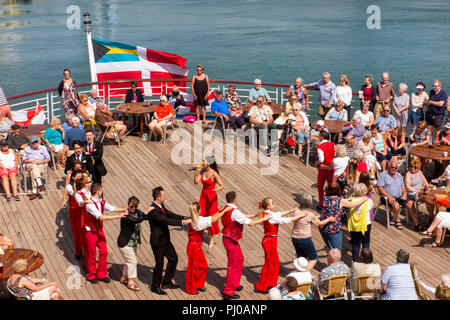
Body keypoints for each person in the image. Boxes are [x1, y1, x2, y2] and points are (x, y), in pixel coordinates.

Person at [221, 191, 273, 299]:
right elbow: (250, 223)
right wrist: (263, 218)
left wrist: (255, 215)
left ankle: (235, 283)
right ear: (235, 199)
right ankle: (228, 291)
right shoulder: (235, 212)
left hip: (229, 238)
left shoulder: (227, 208)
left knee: (239, 259)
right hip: (230, 239)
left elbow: (242, 216)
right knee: (233, 264)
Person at [146, 186, 192, 295]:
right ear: (158, 198)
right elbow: (166, 220)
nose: (165, 197)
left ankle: (166, 282)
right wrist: (183, 222)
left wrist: (184, 217)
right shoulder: (153, 211)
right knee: (159, 264)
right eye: (163, 196)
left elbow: (169, 214)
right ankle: (155, 286)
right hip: (158, 241)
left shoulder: (160, 206)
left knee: (173, 259)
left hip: (165, 240)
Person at [254, 197, 304, 293]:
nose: (274, 202)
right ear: (268, 206)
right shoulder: (271, 217)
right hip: (270, 241)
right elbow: (287, 220)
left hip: (269, 240)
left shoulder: (268, 213)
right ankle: (261, 286)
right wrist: (300, 215)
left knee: (275, 262)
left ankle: (271, 283)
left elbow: (279, 214)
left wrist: (291, 210)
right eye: (272, 202)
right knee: (268, 264)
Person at [84, 183, 127, 283]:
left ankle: (102, 274)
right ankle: (91, 275)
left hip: (98, 230)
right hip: (90, 232)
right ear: (98, 191)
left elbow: (112, 208)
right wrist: (119, 217)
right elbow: (101, 217)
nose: (102, 191)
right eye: (101, 190)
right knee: (92, 254)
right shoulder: (90, 205)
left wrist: (125, 209)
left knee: (104, 251)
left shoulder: (100, 202)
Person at [185, 203, 231, 296]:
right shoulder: (197, 223)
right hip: (194, 246)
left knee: (203, 265)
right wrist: (224, 211)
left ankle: (198, 284)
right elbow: (213, 219)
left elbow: (211, 217)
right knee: (193, 268)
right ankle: (190, 288)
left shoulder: (198, 218)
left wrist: (220, 211)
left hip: (197, 246)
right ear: (198, 210)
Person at [291, 194, 336, 272]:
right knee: (313, 258)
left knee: (302, 258)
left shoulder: (297, 211)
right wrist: (329, 219)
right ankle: (304, 274)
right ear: (310, 203)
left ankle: (299, 273)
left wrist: (316, 217)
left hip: (295, 237)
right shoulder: (310, 215)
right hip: (304, 239)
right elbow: (319, 223)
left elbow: (305, 219)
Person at [319, 181, 368, 250]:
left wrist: (348, 199)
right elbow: (352, 205)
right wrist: (363, 199)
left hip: (323, 227)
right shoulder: (339, 201)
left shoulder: (324, 197)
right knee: (337, 250)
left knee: (330, 247)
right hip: (334, 228)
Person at [117, 196, 150, 292]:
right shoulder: (125, 215)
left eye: (135, 206)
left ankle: (124, 277)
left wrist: (148, 213)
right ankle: (130, 282)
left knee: (129, 261)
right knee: (133, 262)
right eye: (132, 206)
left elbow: (144, 217)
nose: (133, 208)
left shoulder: (137, 212)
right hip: (125, 243)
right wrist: (145, 213)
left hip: (133, 242)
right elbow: (137, 220)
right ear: (128, 205)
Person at [193, 157, 224, 250]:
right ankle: (204, 233)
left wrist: (216, 189)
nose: (202, 162)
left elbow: (222, 185)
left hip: (212, 198)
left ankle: (212, 239)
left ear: (209, 163)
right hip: (204, 196)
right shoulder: (202, 170)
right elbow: (196, 182)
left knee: (211, 217)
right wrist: (196, 173)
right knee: (201, 214)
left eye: (204, 161)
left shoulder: (214, 173)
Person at [377, 159, 408, 230]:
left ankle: (416, 223)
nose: (394, 169)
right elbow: (380, 189)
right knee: (396, 205)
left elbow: (403, 187)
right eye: (392, 167)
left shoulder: (399, 176)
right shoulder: (383, 175)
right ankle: (397, 220)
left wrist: (405, 193)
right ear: (388, 167)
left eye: (395, 168)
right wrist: (389, 197)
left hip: (399, 197)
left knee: (411, 204)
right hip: (387, 198)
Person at [347, 183, 372, 262]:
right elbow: (371, 207)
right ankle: (366, 261)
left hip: (354, 225)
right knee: (366, 242)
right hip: (366, 224)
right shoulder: (369, 201)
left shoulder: (351, 200)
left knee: (355, 244)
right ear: (365, 191)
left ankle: (356, 262)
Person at [63, 170, 85, 259]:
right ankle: (78, 250)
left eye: (81, 177)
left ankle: (85, 249)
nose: (80, 178)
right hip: (74, 212)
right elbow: (73, 194)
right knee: (76, 232)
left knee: (83, 231)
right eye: (78, 176)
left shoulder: (84, 187)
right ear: (73, 177)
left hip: (83, 212)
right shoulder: (70, 187)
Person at [22, 135, 51, 200]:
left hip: (40, 164)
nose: (35, 143)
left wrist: (40, 162)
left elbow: (48, 158)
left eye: (36, 142)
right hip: (30, 164)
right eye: (33, 142)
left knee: (33, 171)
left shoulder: (43, 148)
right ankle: (40, 184)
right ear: (30, 143)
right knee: (34, 166)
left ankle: (34, 191)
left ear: (38, 142)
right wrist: (30, 161)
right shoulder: (27, 148)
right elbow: (23, 159)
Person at [405, 158, 429, 231]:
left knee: (430, 202)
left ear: (418, 168)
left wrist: (425, 187)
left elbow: (426, 182)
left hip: (420, 192)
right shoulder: (408, 174)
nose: (413, 168)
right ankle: (418, 224)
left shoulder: (420, 172)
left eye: (415, 167)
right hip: (412, 193)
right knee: (426, 200)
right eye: (411, 166)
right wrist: (416, 191)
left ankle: (431, 219)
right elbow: (408, 186)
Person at [74, 174, 92, 261]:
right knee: (81, 236)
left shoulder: (90, 192)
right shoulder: (78, 194)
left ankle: (86, 254)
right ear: (85, 184)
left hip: (90, 216)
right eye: (89, 182)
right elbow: (80, 203)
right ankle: (79, 251)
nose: (91, 182)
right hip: (82, 217)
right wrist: (85, 201)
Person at [315, 130, 335, 209]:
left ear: (322, 137)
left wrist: (316, 162)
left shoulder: (320, 147)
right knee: (331, 187)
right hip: (331, 168)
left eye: (319, 136)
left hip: (323, 168)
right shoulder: (333, 144)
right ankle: (331, 204)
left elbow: (321, 159)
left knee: (320, 187)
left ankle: (321, 205)